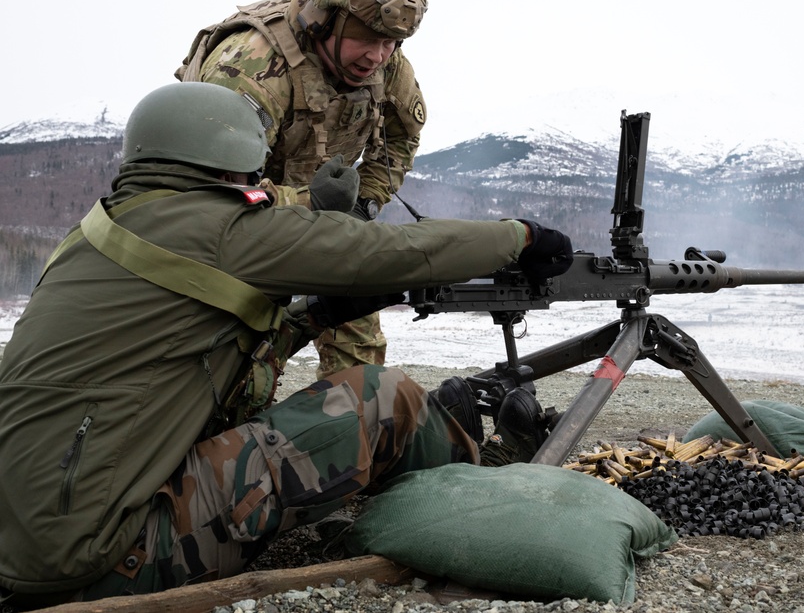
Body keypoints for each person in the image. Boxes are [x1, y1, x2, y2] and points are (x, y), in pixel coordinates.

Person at [0, 83, 572, 607]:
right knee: (381, 399)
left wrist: (312, 316)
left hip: (29, 546)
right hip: (103, 564)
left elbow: (198, 350)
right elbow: (399, 250)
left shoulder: (94, 235)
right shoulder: (225, 229)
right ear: (230, 165)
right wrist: (519, 236)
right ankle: (482, 494)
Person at [175, 0, 430, 379]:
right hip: (230, 245)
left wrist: (363, 202)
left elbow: (401, 137)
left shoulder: (387, 65)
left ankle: (350, 435)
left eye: (392, 42)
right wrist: (311, 202)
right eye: (368, 37)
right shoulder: (252, 68)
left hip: (325, 224)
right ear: (325, 17)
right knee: (227, 377)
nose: (379, 56)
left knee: (362, 372)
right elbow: (208, 206)